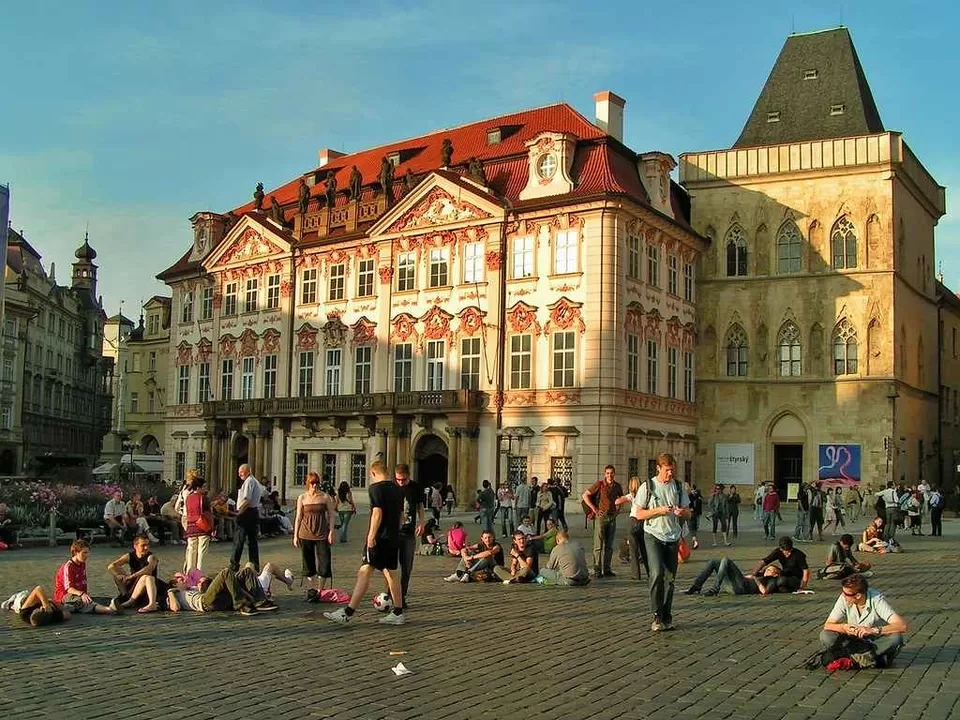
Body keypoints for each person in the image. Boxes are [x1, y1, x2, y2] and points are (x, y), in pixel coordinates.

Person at [324, 461, 406, 625]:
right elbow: (402, 516)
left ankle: (347, 612)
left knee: (364, 572)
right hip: (392, 538)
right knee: (392, 574)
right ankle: (398, 612)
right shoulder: (398, 489)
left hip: (379, 539)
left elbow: (377, 513)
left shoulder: (376, 488)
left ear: (373, 473)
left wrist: (371, 535)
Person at [632, 453, 691, 631]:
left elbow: (689, 512)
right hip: (653, 535)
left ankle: (667, 615)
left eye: (672, 470)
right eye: (667, 471)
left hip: (672, 536)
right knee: (657, 573)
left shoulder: (678, 487)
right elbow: (638, 514)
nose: (670, 474)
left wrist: (683, 512)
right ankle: (656, 615)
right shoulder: (648, 486)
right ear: (658, 468)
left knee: (669, 579)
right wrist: (658, 511)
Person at [819, 575, 907, 668]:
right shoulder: (843, 598)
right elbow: (828, 625)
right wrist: (844, 627)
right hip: (853, 640)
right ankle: (868, 659)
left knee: (896, 638)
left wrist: (873, 630)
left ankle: (850, 659)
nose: (843, 596)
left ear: (858, 595)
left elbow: (902, 626)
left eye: (846, 594)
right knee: (826, 635)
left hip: (874, 642)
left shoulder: (876, 599)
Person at [294, 471, 336, 601]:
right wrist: (295, 535)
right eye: (312, 483)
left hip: (322, 534)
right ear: (308, 483)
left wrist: (331, 531)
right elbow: (298, 517)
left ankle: (320, 590)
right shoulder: (302, 497)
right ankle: (312, 589)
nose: (315, 485)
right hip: (305, 533)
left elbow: (331, 515)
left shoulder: (325, 497)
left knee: (324, 561)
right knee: (308, 562)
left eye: (317, 483)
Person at [581, 465, 624, 578]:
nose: (609, 475)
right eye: (608, 473)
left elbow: (621, 499)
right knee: (598, 544)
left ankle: (607, 568)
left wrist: (618, 510)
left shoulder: (617, 486)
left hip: (612, 517)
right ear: (605, 474)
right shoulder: (599, 485)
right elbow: (585, 495)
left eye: (611, 473)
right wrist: (594, 509)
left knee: (609, 545)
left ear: (614, 474)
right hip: (601, 516)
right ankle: (597, 569)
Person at [166, 568, 265, 616]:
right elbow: (175, 608)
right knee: (225, 572)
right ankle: (241, 605)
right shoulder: (175, 594)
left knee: (246, 571)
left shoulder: (192, 588)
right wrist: (170, 592)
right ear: (174, 585)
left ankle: (259, 601)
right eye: (181, 580)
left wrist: (201, 585)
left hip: (216, 599)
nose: (184, 580)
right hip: (205, 603)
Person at [54, 540, 116, 615]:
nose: (87, 555)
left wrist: (85, 595)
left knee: (102, 600)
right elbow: (69, 589)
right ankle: (108, 610)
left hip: (79, 595)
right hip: (65, 597)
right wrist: (82, 594)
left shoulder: (82, 564)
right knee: (84, 603)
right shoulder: (68, 567)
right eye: (84, 553)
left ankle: (116, 604)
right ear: (76, 552)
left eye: (88, 552)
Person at [393, 463, 424, 610]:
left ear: (408, 476)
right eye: (398, 479)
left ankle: (402, 596)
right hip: (393, 532)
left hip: (409, 533)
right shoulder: (391, 487)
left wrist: (422, 522)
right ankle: (391, 595)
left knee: (407, 567)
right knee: (391, 567)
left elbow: (419, 505)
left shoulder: (415, 487)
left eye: (403, 480)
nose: (400, 482)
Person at [107, 534, 164, 613]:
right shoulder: (129, 556)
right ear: (135, 546)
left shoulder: (152, 557)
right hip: (135, 585)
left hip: (148, 586)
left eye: (148, 545)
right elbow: (111, 566)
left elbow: (149, 569)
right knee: (117, 576)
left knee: (146, 577)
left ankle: (151, 604)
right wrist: (120, 575)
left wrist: (131, 576)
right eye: (143, 545)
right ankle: (126, 596)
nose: (146, 548)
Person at [231, 463, 264, 572]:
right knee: (252, 541)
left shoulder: (249, 481)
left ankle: (234, 565)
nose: (239, 475)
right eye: (239, 473)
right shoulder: (254, 481)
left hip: (246, 513)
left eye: (241, 472)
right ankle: (255, 565)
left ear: (248, 471)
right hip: (252, 513)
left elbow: (247, 500)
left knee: (239, 540)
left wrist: (238, 512)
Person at [683, 556, 764, 596]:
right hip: (734, 585)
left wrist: (755, 578)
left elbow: (764, 591)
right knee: (713, 561)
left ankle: (715, 588)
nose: (768, 569)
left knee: (726, 559)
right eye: (768, 569)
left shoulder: (771, 580)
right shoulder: (762, 574)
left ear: (776, 574)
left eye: (771, 569)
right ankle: (696, 586)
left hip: (742, 587)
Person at [185, 477, 214, 571]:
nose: (206, 489)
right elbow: (208, 513)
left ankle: (190, 575)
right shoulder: (204, 498)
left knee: (191, 552)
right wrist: (211, 527)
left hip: (190, 526)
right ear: (198, 488)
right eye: (204, 487)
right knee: (202, 552)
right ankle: (199, 575)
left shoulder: (188, 498)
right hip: (202, 526)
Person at [3, 585, 70, 627]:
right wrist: (52, 603)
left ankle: (9, 603)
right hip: (35, 601)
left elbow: (38, 588)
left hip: (21, 601)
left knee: (15, 602)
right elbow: (67, 614)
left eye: (41, 608)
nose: (41, 607)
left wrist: (46, 604)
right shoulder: (53, 617)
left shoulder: (24, 613)